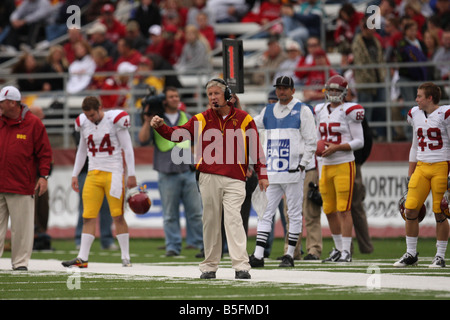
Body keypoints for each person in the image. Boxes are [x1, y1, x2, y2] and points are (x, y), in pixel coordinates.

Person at [150, 78, 269, 279]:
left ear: (227, 95)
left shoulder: (244, 118)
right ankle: (209, 266)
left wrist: (262, 174)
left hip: (235, 178)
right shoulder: (201, 118)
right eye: (210, 94)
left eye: (216, 93)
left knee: (233, 220)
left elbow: (256, 148)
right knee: (211, 222)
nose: (213, 97)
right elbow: (177, 135)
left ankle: (241, 266)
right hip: (208, 176)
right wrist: (161, 127)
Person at [62, 96, 137, 268]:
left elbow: (128, 148)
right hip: (93, 173)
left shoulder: (114, 121)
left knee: (117, 215)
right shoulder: (83, 122)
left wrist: (131, 173)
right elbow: (82, 150)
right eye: (87, 116)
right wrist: (75, 174)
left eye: (93, 115)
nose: (90, 119)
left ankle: (125, 256)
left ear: (100, 108)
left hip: (114, 173)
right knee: (88, 216)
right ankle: (82, 258)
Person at [249, 76, 317, 268]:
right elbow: (251, 124)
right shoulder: (268, 110)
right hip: (272, 171)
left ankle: (289, 254)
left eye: (285, 88)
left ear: (293, 90)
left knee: (294, 213)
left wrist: (303, 164)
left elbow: (311, 141)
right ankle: (259, 255)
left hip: (293, 170)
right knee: (264, 212)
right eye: (279, 88)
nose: (281, 91)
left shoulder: (303, 111)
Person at [138, 86, 203, 257]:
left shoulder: (187, 117)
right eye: (172, 96)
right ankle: (173, 246)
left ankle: (200, 244)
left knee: (196, 213)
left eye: (177, 96)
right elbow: (143, 139)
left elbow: (196, 141)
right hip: (167, 172)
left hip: (187, 169)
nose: (176, 99)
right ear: (165, 100)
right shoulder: (156, 118)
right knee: (169, 214)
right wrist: (146, 120)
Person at [394, 82, 449, 268]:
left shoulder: (445, 115)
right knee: (410, 209)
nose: (416, 99)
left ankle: (440, 256)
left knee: (439, 211)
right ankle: (411, 253)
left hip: (442, 165)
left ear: (430, 98)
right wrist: (410, 173)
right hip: (422, 166)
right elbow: (415, 146)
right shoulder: (414, 114)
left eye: (419, 96)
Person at [0, 85, 52, 270]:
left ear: (12, 103)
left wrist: (43, 176)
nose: (0, 106)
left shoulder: (33, 123)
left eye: (2, 103)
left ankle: (20, 263)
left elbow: (45, 153)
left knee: (22, 229)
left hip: (21, 184)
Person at [314, 75, 365, 263]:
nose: (333, 93)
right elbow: (318, 139)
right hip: (325, 165)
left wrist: (336, 148)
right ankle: (337, 249)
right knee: (328, 209)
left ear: (344, 92)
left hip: (344, 163)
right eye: (331, 89)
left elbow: (359, 141)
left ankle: (346, 251)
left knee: (344, 209)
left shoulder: (349, 110)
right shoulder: (319, 110)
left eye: (337, 90)